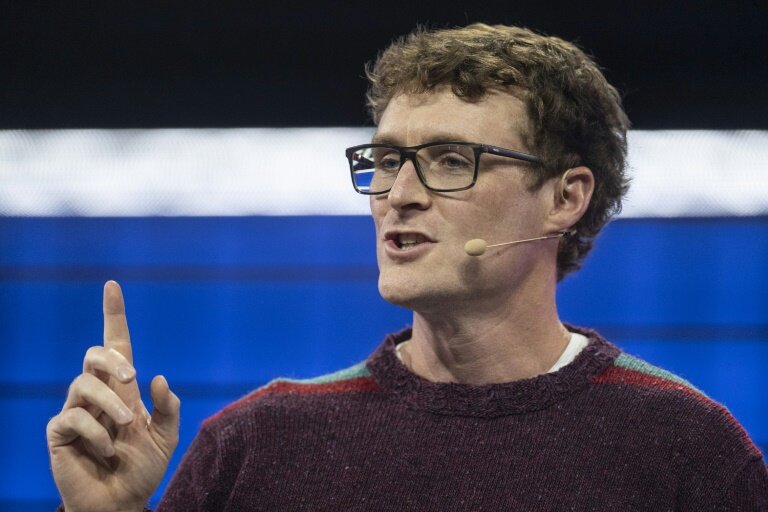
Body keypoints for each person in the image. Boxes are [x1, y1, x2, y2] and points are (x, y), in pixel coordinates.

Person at [46, 23, 767, 511]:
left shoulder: (685, 448)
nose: (400, 194)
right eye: (388, 161)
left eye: (452, 160)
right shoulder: (255, 444)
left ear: (564, 197)